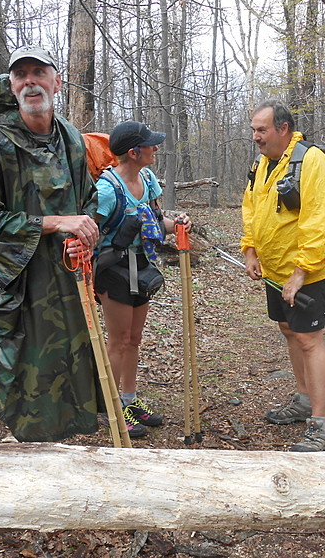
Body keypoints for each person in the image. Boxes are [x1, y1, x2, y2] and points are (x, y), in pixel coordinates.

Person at [0, 46, 101, 443]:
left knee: (69, 367)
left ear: (56, 82)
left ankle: (62, 447)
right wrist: (54, 222)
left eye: (39, 73)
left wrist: (85, 236)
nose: (30, 82)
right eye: (20, 75)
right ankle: (26, 453)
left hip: (66, 280)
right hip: (18, 281)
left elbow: (88, 201)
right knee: (26, 375)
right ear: (11, 86)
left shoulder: (72, 140)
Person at [240, 99, 325, 452]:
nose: (255, 136)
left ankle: (320, 423)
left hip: (308, 271)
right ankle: (302, 400)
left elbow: (321, 222)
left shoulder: (311, 161)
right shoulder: (262, 164)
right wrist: (250, 250)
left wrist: (301, 273)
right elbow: (251, 207)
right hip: (275, 269)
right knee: (289, 332)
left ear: (283, 129)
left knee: (310, 339)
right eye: (253, 130)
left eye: (262, 130)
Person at [93, 120, 192, 438]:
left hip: (142, 266)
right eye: (150, 144)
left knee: (134, 339)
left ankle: (129, 400)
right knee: (119, 340)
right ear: (134, 152)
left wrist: (177, 222)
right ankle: (110, 409)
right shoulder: (107, 190)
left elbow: (156, 218)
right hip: (113, 270)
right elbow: (90, 230)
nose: (156, 148)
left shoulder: (147, 179)